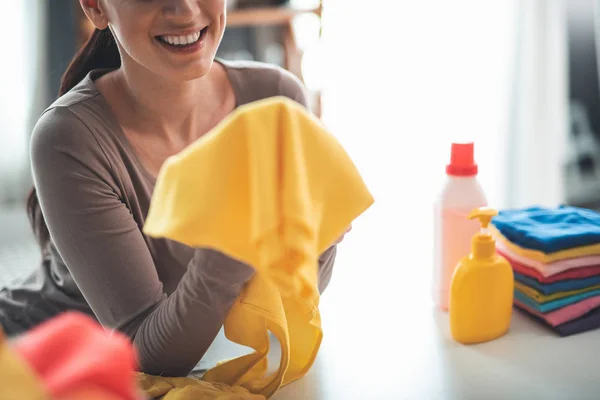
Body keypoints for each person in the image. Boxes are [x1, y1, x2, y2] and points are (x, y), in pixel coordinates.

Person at [0, 0, 349, 376]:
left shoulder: (276, 99)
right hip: (36, 359)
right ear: (96, 8)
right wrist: (233, 243)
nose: (184, 9)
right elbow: (146, 357)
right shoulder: (68, 137)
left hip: (202, 356)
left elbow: (286, 300)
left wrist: (321, 234)